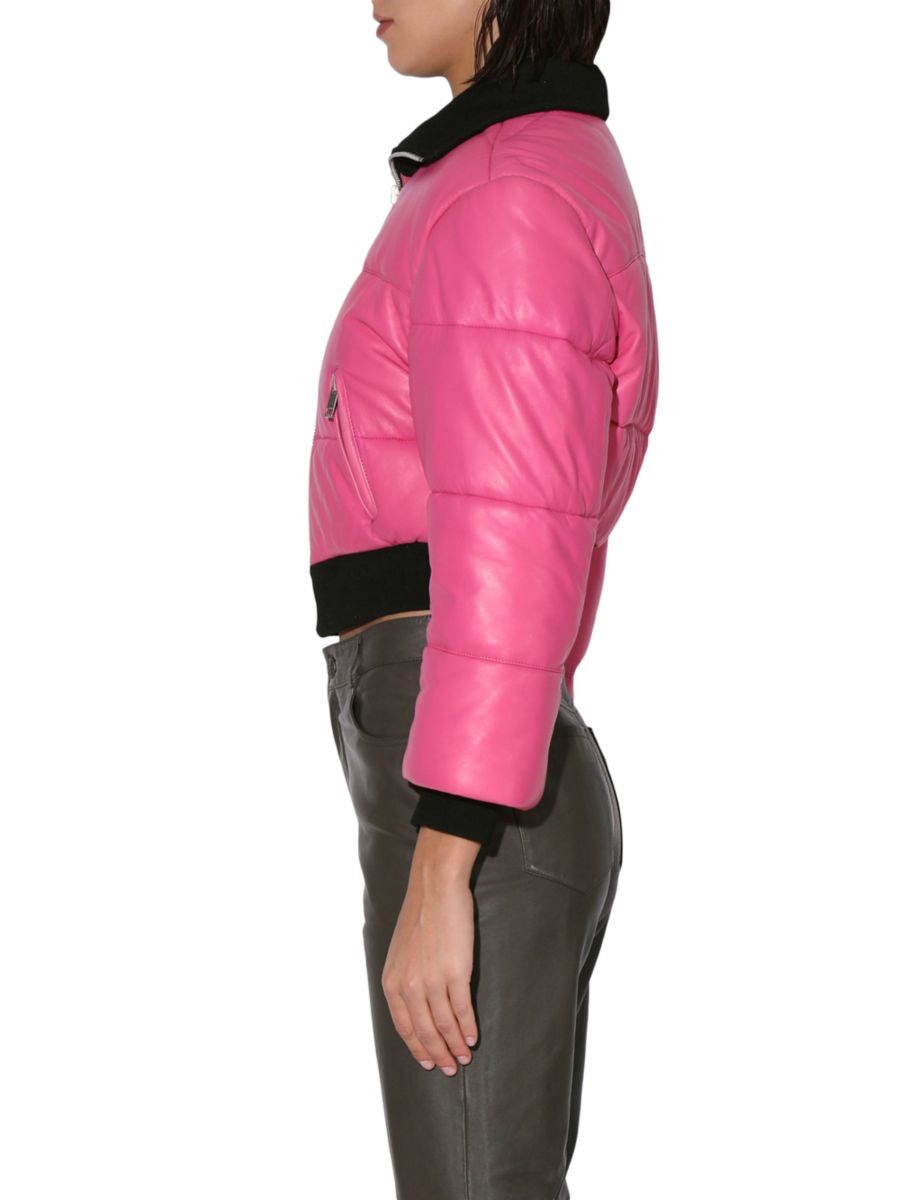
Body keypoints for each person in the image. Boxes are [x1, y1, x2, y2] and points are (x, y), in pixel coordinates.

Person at [308, 1, 658, 1195]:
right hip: (468, 770)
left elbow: (513, 538)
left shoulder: (506, 192)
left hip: (472, 802)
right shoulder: (499, 174)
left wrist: (445, 856)